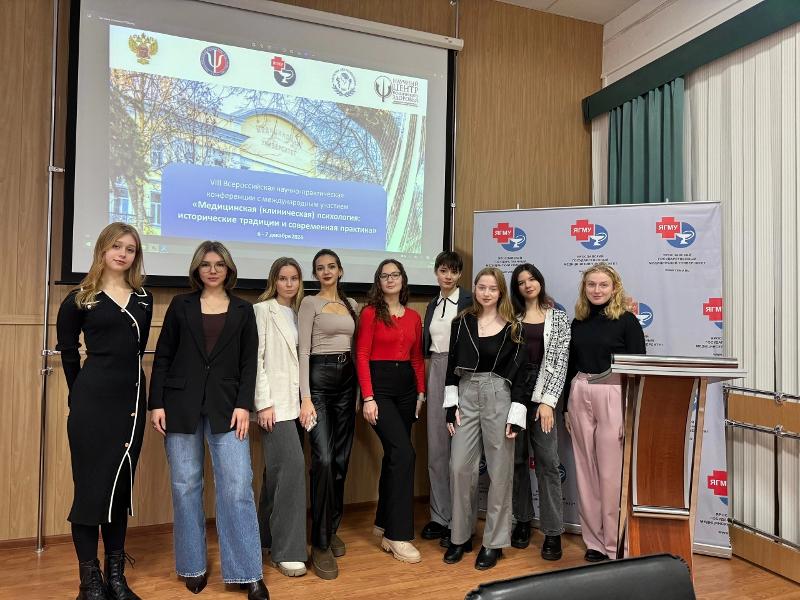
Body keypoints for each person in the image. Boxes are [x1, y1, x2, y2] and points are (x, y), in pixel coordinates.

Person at [149, 241, 268, 600]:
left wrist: (244, 405)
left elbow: (249, 362)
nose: (212, 270)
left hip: (228, 407)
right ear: (196, 269)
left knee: (237, 486)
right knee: (185, 486)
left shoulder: (244, 309)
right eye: (205, 264)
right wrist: (157, 403)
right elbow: (164, 354)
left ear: (228, 269)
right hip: (179, 405)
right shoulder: (180, 305)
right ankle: (192, 566)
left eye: (219, 264)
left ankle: (247, 572)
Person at [56, 222, 152, 600]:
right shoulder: (80, 298)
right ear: (102, 249)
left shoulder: (143, 298)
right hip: (91, 404)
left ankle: (116, 578)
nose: (122, 253)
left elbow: (136, 352)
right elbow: (68, 352)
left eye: (130, 248)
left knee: (118, 490)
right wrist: (78, 393)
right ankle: (90, 582)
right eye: (116, 246)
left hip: (131, 403)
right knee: (90, 490)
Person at [442, 267, 531, 571]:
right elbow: (451, 364)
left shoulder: (514, 327)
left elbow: (521, 374)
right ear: (475, 289)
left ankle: (493, 542)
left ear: (501, 292)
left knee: (500, 471)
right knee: (459, 467)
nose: (487, 293)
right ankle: (460, 536)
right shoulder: (461, 322)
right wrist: (450, 404)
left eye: (493, 288)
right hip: (466, 392)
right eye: (482, 287)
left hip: (499, 394)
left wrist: (516, 412)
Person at [563, 263, 645, 562]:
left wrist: (630, 411)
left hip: (613, 393)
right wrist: (566, 407)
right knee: (585, 472)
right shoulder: (578, 322)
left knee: (611, 475)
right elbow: (570, 366)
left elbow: (638, 370)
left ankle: (615, 545)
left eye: (603, 285)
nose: (597, 290)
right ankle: (595, 542)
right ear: (584, 288)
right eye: (591, 285)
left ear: (614, 288)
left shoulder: (627, 321)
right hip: (579, 391)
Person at [356, 259, 425, 564]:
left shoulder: (413, 317)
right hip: (379, 388)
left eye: (395, 274)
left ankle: (384, 523)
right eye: (384, 276)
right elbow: (361, 355)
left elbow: (417, 358)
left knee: (395, 455)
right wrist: (368, 397)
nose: (390, 279)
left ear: (403, 280)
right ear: (379, 281)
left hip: (407, 390)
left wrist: (421, 392)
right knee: (404, 453)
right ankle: (398, 535)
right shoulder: (370, 313)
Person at [297, 249, 359, 579]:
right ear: (315, 273)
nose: (326, 272)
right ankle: (319, 544)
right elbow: (303, 351)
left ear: (340, 270)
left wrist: (360, 394)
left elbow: (357, 349)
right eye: (320, 268)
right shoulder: (310, 303)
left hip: (347, 384)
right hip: (318, 383)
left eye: (331, 266)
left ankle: (331, 528)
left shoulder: (352, 306)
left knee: (340, 460)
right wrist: (305, 398)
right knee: (322, 460)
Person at [509, 263, 571, 561]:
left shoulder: (558, 317)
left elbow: (560, 361)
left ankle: (553, 531)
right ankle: (522, 520)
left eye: (532, 279)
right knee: (517, 460)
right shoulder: (511, 318)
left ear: (540, 281)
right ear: (517, 288)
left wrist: (548, 402)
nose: (528, 284)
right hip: (515, 396)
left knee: (547, 462)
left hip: (544, 395)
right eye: (521, 282)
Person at [253, 257, 307, 578]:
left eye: (294, 278)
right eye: (283, 278)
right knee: (293, 468)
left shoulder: (300, 313)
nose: (289, 284)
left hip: (297, 405)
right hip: (274, 406)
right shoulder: (262, 310)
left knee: (277, 473)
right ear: (274, 280)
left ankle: (264, 537)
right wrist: (263, 403)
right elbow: (256, 359)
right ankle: (287, 551)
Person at [420, 251, 472, 547]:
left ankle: (460, 521)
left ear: (460, 274)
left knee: (460, 449)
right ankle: (440, 516)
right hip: (436, 369)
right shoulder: (432, 304)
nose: (448, 276)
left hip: (463, 373)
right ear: (436, 272)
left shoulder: (469, 302)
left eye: (453, 271)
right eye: (443, 270)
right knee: (437, 446)